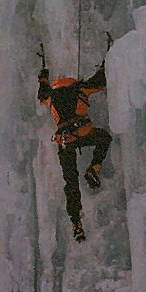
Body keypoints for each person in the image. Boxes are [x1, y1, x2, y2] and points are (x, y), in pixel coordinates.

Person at [38, 62, 112, 242]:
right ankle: (94, 167)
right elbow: (99, 82)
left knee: (70, 181)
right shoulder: (80, 89)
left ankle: (76, 222)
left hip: (65, 142)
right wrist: (104, 66)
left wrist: (43, 76)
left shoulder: (51, 96)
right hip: (82, 132)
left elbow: (42, 94)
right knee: (104, 138)